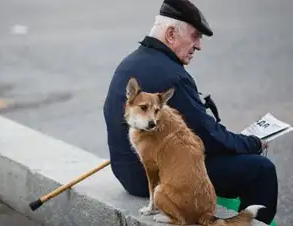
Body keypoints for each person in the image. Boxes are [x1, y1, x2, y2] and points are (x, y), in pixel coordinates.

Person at [102, 0, 278, 224]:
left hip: (126, 172)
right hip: (153, 179)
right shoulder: (174, 76)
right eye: (195, 36)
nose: (199, 46)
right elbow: (209, 136)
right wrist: (251, 143)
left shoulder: (127, 64)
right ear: (171, 34)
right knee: (261, 169)